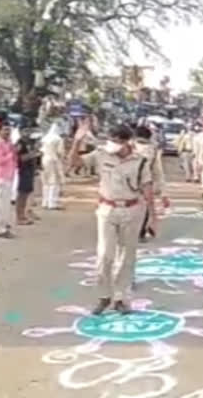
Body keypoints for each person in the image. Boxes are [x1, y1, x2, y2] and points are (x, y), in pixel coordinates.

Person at [69, 121, 156, 315]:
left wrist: (153, 217)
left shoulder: (140, 161)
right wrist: (77, 142)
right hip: (107, 208)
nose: (112, 144)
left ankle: (120, 298)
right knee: (104, 256)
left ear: (127, 142)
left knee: (126, 257)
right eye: (110, 140)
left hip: (132, 210)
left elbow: (147, 189)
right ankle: (103, 296)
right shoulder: (101, 155)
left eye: (116, 141)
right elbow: (75, 163)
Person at [133, 125, 169, 242]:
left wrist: (163, 193)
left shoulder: (152, 151)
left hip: (144, 184)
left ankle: (141, 231)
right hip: (128, 183)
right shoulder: (127, 147)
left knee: (145, 208)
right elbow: (159, 173)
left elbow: (157, 172)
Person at [0, 123, 18, 239]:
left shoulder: (8, 142)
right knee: (1, 204)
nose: (7, 132)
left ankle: (4, 225)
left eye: (9, 130)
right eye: (5, 130)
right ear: (0, 131)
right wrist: (11, 154)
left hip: (9, 175)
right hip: (1, 176)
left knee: (6, 203)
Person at [15, 123, 40, 225]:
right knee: (21, 194)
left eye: (28, 130)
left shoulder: (30, 142)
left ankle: (24, 214)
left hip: (30, 170)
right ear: (20, 132)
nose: (27, 133)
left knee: (26, 194)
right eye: (25, 131)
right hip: (23, 170)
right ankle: (19, 216)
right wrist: (32, 154)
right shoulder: (20, 143)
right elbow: (20, 158)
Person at [40, 123, 65, 210]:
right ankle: (52, 203)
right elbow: (60, 152)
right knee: (54, 182)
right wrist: (62, 160)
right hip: (53, 160)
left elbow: (41, 149)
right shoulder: (58, 139)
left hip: (44, 159)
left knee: (45, 182)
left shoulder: (45, 138)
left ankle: (45, 202)